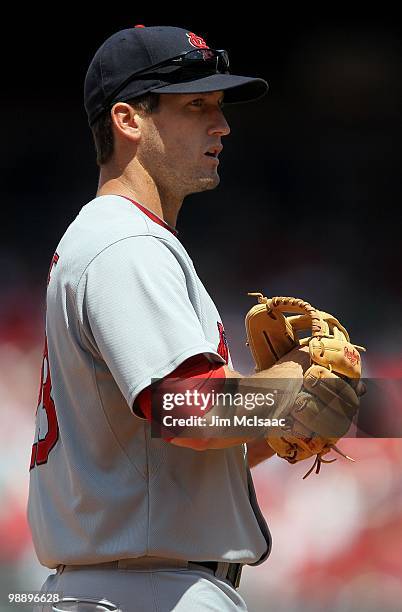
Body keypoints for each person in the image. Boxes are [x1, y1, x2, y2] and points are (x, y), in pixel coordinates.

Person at [28, 25, 310, 612]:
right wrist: (304, 399)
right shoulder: (125, 243)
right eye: (197, 106)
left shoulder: (112, 239)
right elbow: (191, 412)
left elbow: (169, 457)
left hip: (127, 583)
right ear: (129, 120)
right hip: (151, 589)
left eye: (219, 107)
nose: (222, 125)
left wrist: (311, 418)